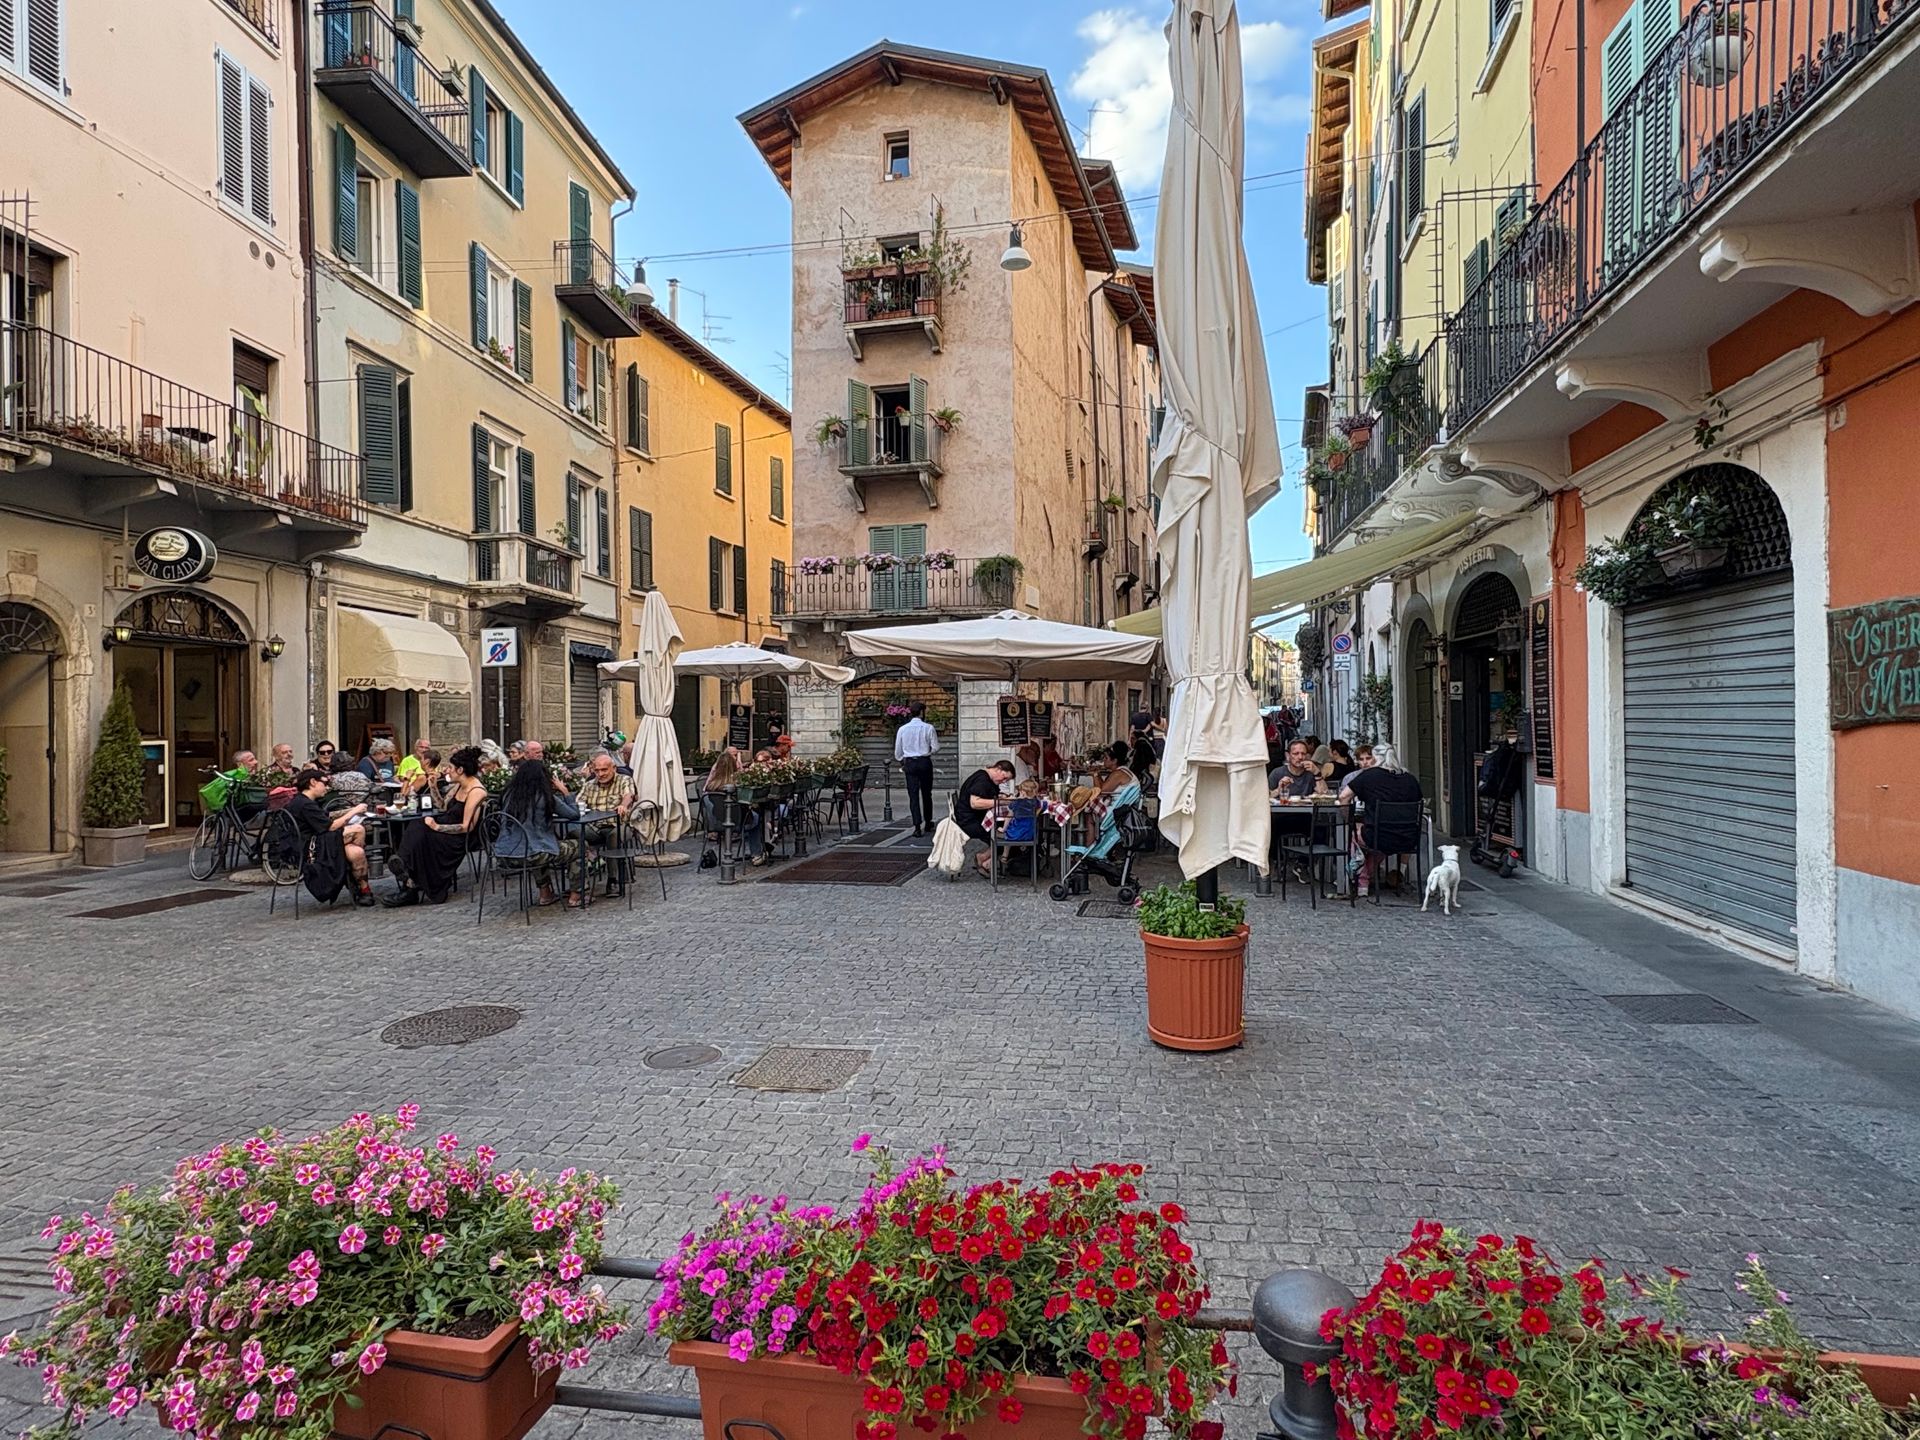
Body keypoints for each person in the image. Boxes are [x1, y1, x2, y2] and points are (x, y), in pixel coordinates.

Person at [384, 746, 488, 907]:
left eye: (450, 768)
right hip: (445, 825)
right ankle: (405, 870)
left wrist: (437, 827)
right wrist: (433, 786)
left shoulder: (476, 791)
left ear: (460, 770)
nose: (447, 771)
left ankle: (410, 882)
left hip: (458, 837)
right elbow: (442, 806)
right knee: (418, 824)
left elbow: (467, 826)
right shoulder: (458, 786)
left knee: (425, 835)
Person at [489, 756, 582, 906]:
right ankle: (576, 895)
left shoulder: (508, 795)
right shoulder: (544, 795)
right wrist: (565, 792)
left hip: (503, 854)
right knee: (579, 847)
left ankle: (546, 894)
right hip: (532, 854)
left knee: (537, 846)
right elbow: (573, 814)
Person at [282, 766, 375, 905]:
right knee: (358, 829)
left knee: (356, 852)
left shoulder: (302, 801)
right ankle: (354, 878)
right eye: (325, 783)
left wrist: (348, 811)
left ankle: (362, 888)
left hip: (314, 842)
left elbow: (324, 819)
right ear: (313, 782)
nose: (327, 788)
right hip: (311, 848)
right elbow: (330, 826)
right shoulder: (305, 804)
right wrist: (354, 811)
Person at [1341, 743, 1425, 895]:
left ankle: (1360, 879)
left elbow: (1343, 796)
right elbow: (1419, 803)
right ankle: (1365, 878)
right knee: (1383, 834)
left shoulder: (1369, 776)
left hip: (1377, 837)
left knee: (1354, 832)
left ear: (1375, 758)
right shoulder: (1410, 779)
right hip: (1408, 838)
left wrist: (1349, 819)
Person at [577, 749, 639, 898]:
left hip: (620, 825)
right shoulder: (589, 784)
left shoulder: (624, 780)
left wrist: (623, 805)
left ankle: (614, 880)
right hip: (595, 827)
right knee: (574, 834)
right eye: (597, 771)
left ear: (613, 768)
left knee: (614, 836)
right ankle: (578, 885)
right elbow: (578, 801)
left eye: (604, 770)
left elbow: (628, 795)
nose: (601, 774)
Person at [952, 757, 1015, 878]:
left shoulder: (986, 778)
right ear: (998, 769)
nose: (1004, 781)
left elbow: (988, 796)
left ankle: (985, 861)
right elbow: (975, 803)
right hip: (969, 822)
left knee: (1006, 830)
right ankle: (983, 860)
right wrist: (1000, 802)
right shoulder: (982, 780)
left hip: (975, 818)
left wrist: (1001, 797)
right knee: (1006, 836)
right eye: (1004, 777)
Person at [894, 700, 939, 837]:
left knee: (913, 796)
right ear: (921, 712)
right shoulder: (928, 728)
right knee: (927, 794)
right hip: (924, 762)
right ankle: (928, 822)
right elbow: (936, 747)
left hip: (910, 763)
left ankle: (917, 826)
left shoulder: (902, 729)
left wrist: (903, 760)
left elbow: (898, 752)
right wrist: (928, 752)